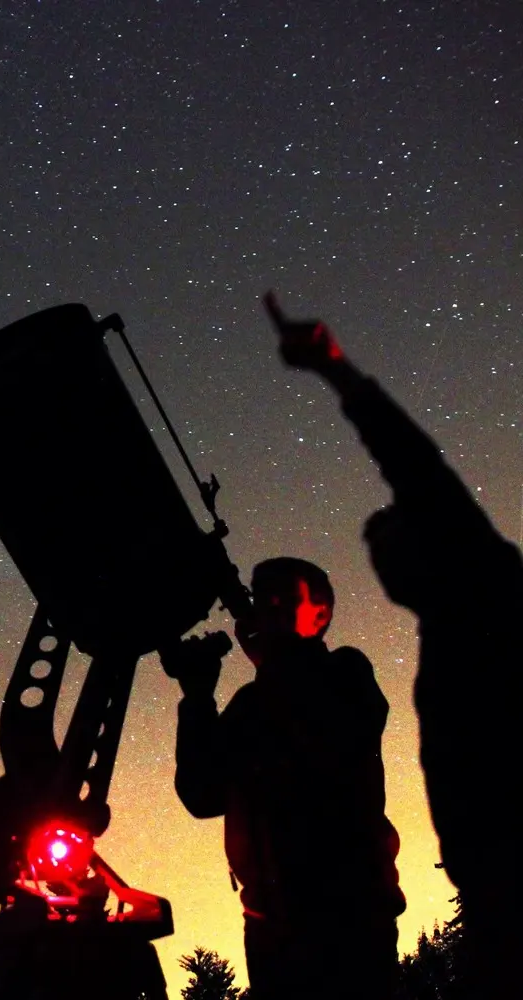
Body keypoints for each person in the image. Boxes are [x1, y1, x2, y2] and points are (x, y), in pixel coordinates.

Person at [263, 291, 521, 996]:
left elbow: (417, 466)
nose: (379, 559)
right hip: (499, 904)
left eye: (391, 537)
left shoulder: (489, 590)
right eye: (370, 550)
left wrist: (337, 371)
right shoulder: (444, 644)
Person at [166, 557, 406, 1000]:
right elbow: (202, 794)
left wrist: (267, 662)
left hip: (350, 921)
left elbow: (327, 734)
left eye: (282, 598)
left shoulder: (347, 671)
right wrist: (198, 699)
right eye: (261, 598)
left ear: (321, 614)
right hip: (270, 928)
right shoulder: (252, 702)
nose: (264, 608)